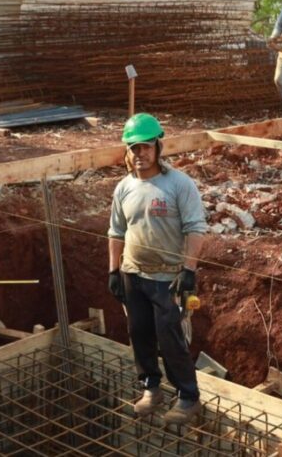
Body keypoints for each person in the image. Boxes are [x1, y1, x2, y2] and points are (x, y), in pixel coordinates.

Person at [107, 113, 208, 425]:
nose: (140, 154)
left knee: (170, 337)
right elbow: (116, 232)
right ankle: (152, 387)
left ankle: (188, 396)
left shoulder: (178, 184)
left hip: (168, 277)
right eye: (134, 148)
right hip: (133, 274)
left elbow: (195, 229)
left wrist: (188, 270)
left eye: (146, 147)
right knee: (139, 333)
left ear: (158, 147)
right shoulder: (124, 187)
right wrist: (113, 271)